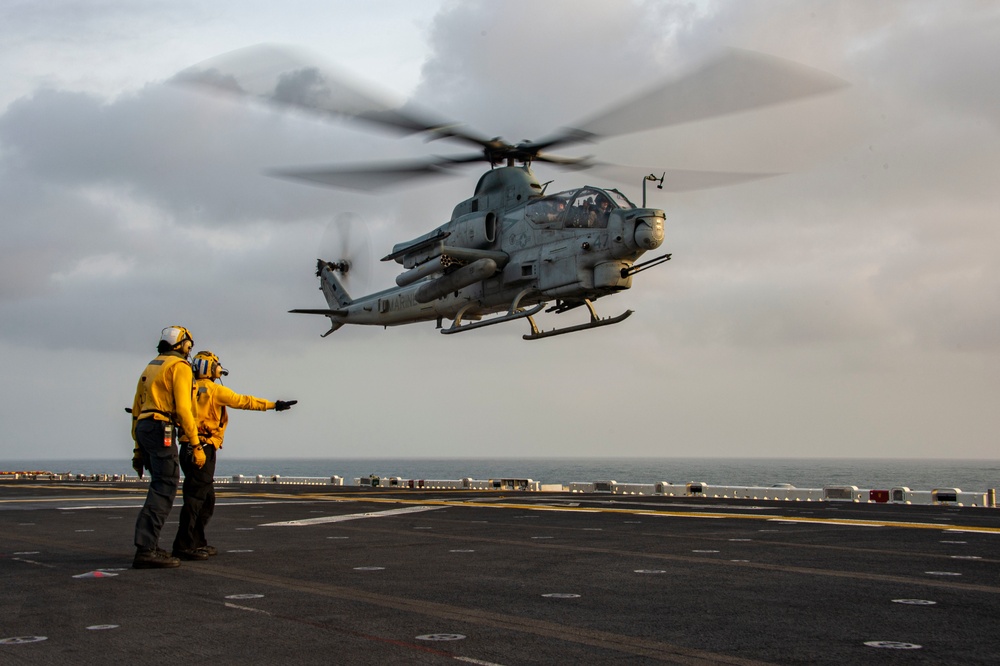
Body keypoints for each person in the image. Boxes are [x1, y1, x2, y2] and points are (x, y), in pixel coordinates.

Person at [171, 350, 296, 560]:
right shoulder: (214, 391)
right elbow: (244, 401)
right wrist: (274, 405)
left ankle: (197, 541)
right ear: (212, 369)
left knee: (206, 498)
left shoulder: (186, 390)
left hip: (187, 447)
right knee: (195, 499)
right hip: (204, 447)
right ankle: (183, 546)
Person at [130, 326, 204, 569]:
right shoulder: (179, 366)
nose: (189, 350)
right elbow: (183, 409)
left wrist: (137, 450)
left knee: (158, 484)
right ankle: (146, 549)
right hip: (161, 426)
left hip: (144, 427)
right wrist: (196, 444)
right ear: (182, 344)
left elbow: (136, 407)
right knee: (165, 486)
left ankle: (149, 545)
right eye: (188, 346)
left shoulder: (152, 365)